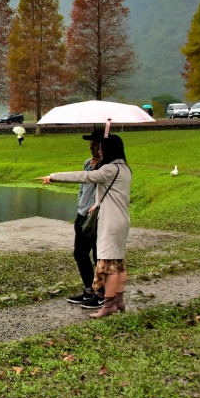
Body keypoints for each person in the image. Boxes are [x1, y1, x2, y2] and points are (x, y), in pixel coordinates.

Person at [38, 133, 132, 318]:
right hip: (122, 220)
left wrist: (54, 176)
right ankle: (118, 300)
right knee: (118, 263)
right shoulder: (125, 168)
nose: (97, 150)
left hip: (110, 222)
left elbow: (83, 176)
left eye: (101, 147)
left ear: (107, 150)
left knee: (108, 264)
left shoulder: (109, 170)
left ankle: (108, 304)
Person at [65, 129, 104, 309]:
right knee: (80, 253)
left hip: (98, 216)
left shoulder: (108, 167)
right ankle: (89, 289)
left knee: (98, 255)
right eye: (91, 143)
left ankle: (100, 293)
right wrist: (80, 205)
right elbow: (83, 187)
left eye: (94, 143)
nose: (91, 146)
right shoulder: (88, 164)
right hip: (83, 215)